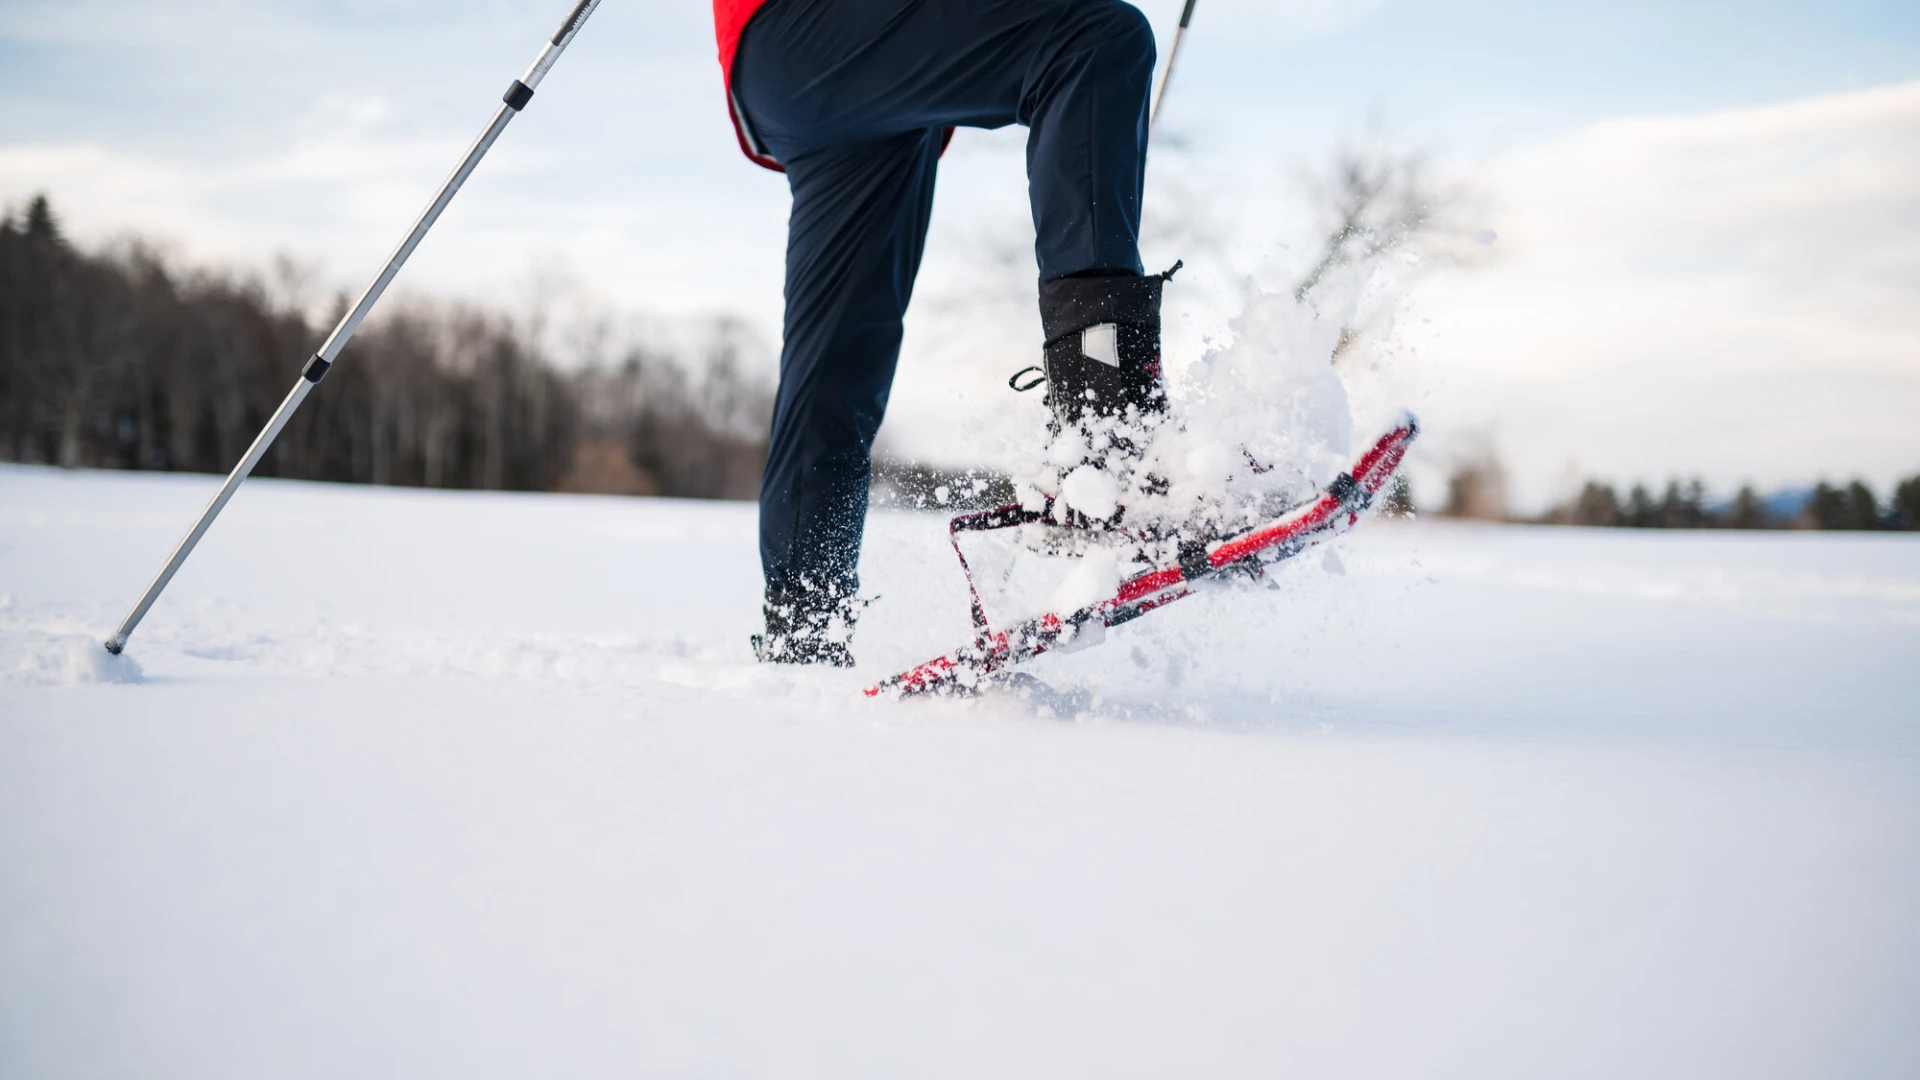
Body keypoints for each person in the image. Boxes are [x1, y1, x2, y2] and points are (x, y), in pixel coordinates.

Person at [713, 0, 1176, 665]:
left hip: (800, 75)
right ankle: (1110, 426)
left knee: (838, 364)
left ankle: (805, 634)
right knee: (1094, 40)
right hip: (812, 32)